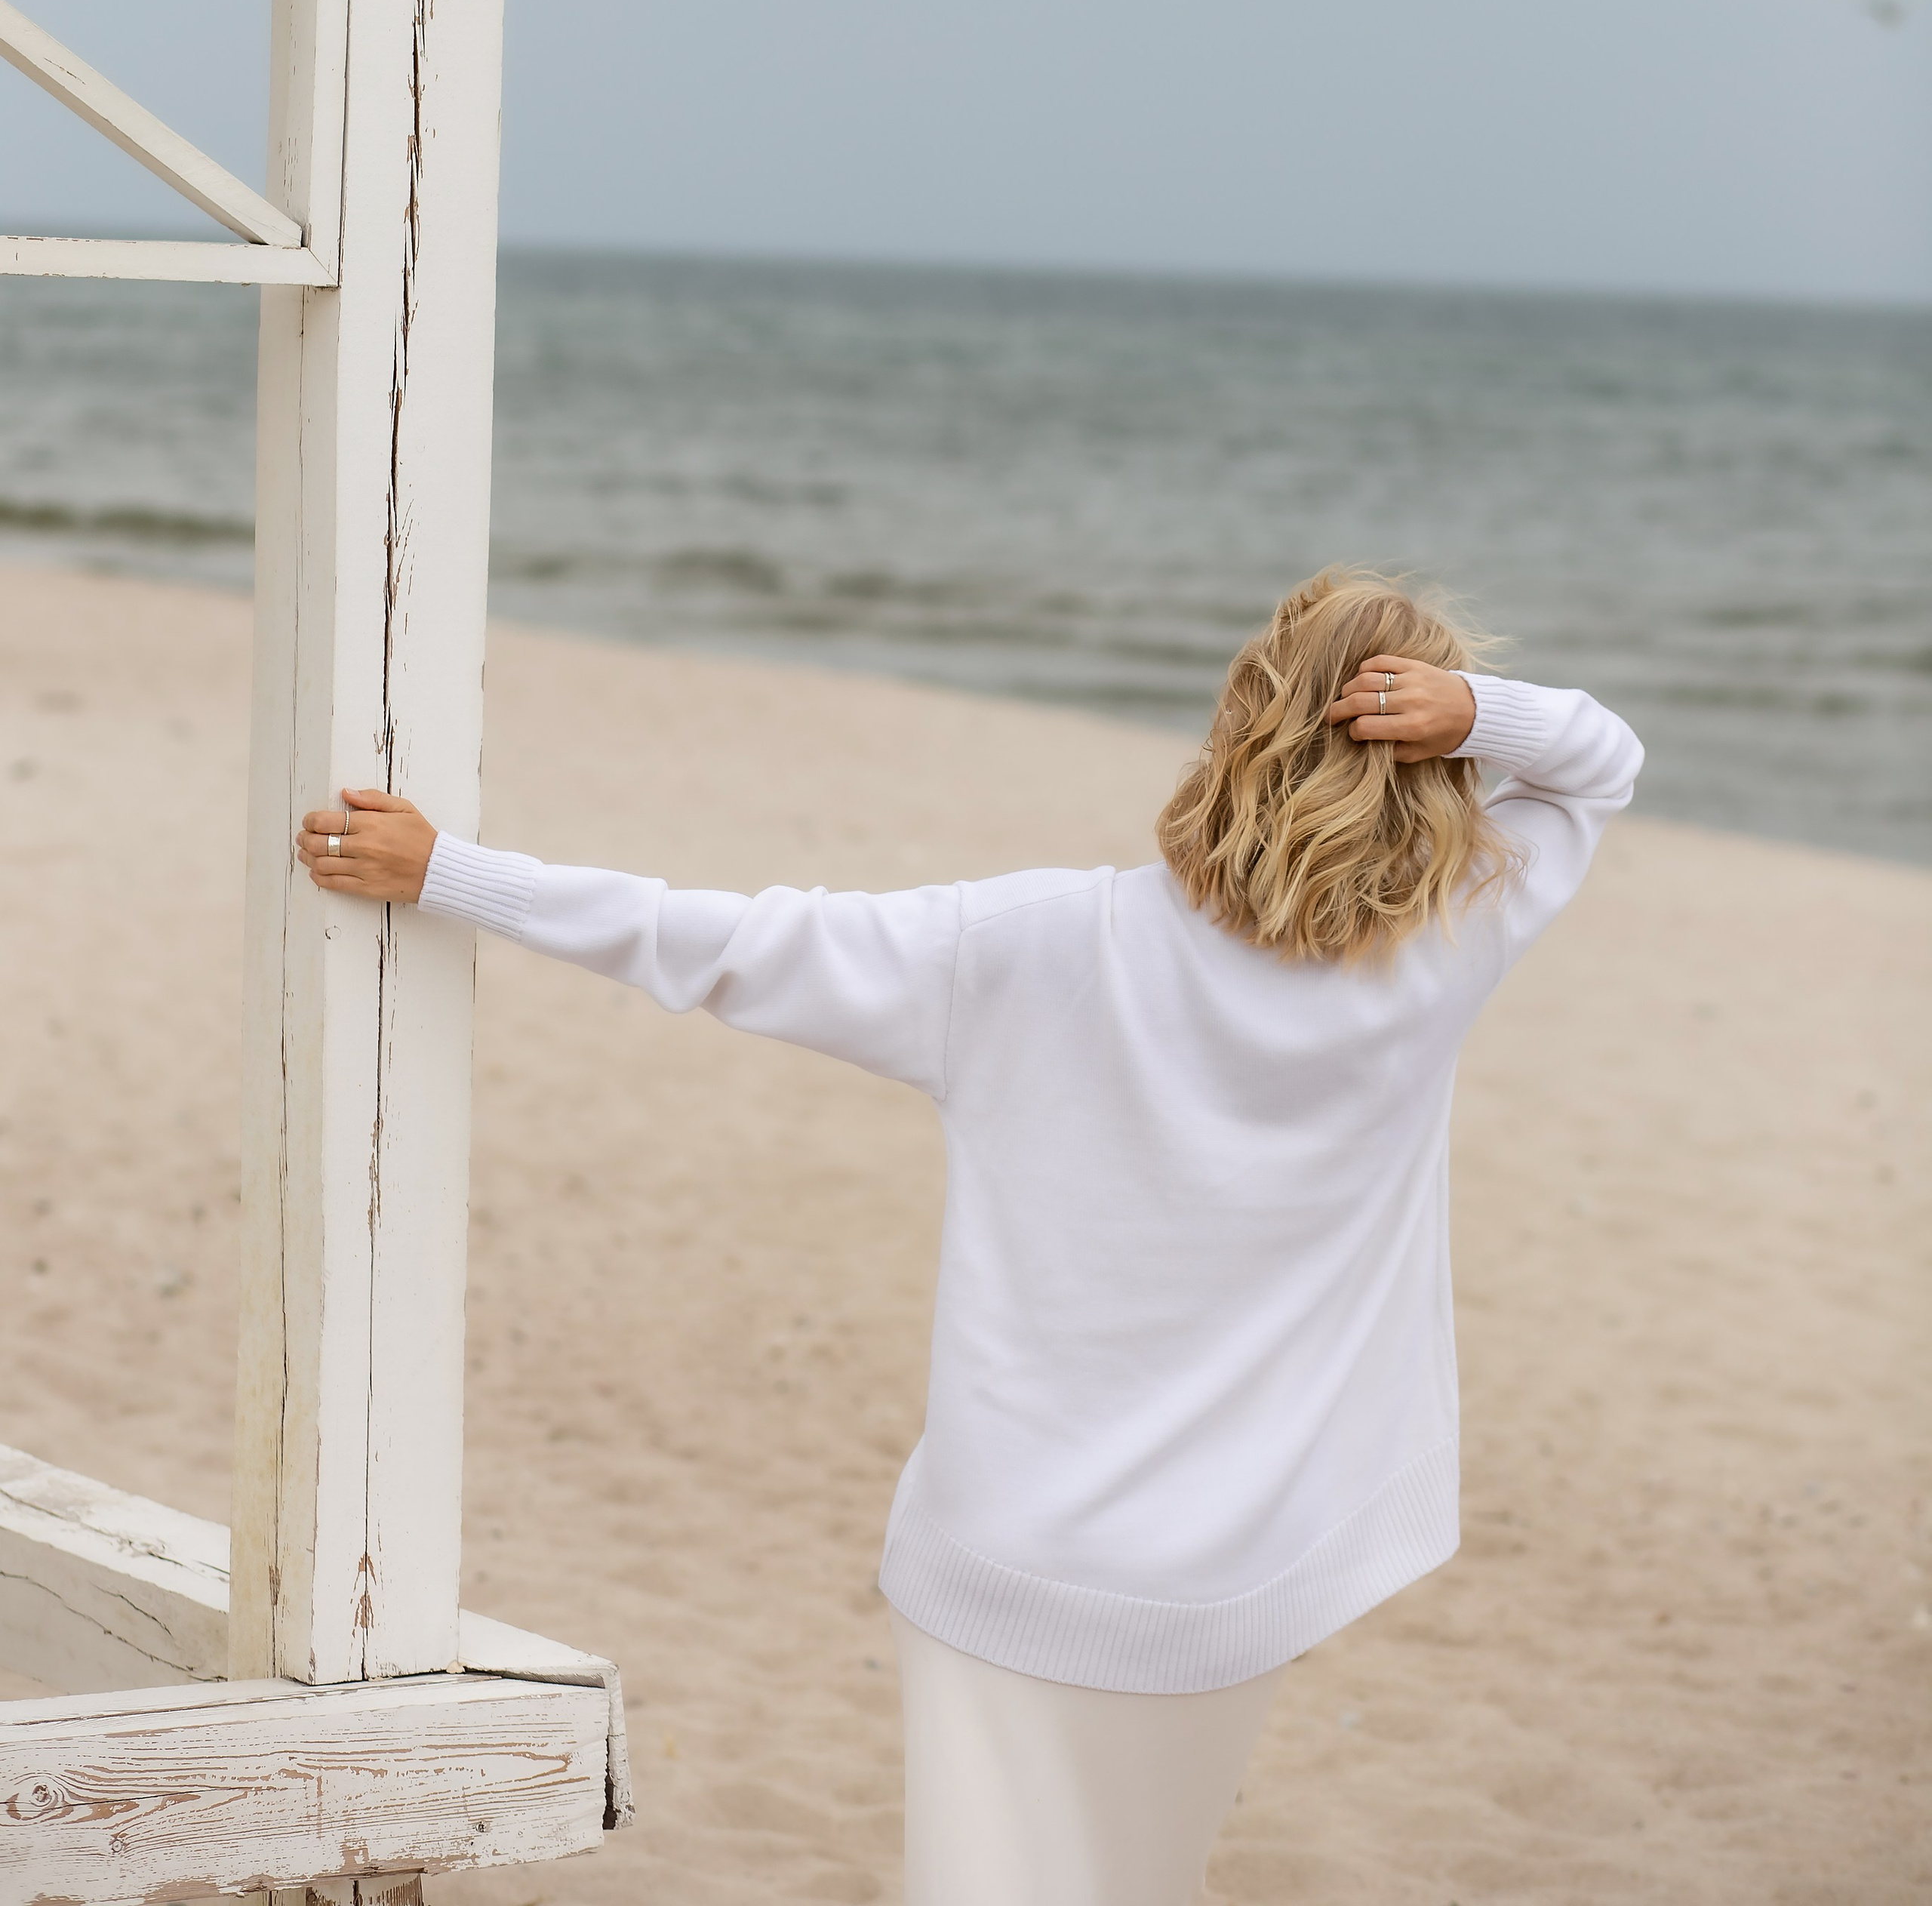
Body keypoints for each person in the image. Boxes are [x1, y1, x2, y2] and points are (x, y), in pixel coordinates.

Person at [299, 565, 1641, 1906]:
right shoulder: (1448, 947)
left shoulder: (1031, 941)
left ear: (1243, 722)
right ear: (1431, 765)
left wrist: (451, 873)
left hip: (1009, 1556)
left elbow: (716, 943)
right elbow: (1600, 763)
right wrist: (1479, 711)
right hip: (1236, 1572)